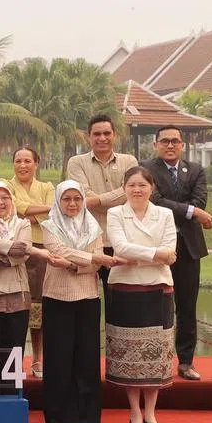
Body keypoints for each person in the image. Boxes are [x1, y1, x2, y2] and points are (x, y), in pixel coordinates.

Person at [40, 180, 123, 423]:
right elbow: (58, 250)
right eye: (67, 199)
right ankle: (60, 415)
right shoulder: (49, 225)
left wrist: (74, 265)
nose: (73, 204)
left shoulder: (93, 225)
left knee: (86, 357)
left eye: (77, 198)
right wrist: (91, 259)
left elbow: (83, 262)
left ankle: (87, 416)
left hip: (88, 296)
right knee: (59, 357)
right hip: (57, 296)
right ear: (58, 201)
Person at [0, 182, 63, 385]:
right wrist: (15, 248)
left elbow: (22, 255)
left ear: (12, 201)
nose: (0, 202)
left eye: (5, 198)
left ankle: (10, 396)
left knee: (13, 346)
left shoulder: (22, 224)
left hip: (17, 289)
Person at [106, 166, 178, 423]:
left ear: (152, 187)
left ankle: (151, 413)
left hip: (159, 287)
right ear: (124, 187)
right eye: (131, 185)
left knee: (156, 353)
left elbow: (171, 250)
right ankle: (134, 413)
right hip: (125, 288)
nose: (137, 190)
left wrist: (148, 255)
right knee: (129, 353)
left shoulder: (165, 214)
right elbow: (121, 248)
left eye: (142, 185)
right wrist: (156, 253)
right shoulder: (115, 213)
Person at [141, 126, 212, 381]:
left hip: (189, 248)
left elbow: (200, 202)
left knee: (187, 307)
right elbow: (155, 201)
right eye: (164, 141)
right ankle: (153, 359)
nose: (170, 145)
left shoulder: (195, 170)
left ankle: (185, 362)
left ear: (182, 144)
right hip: (158, 246)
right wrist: (192, 213)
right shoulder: (146, 169)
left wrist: (194, 211)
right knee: (155, 305)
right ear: (155, 144)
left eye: (175, 141)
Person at [66, 114, 139, 297]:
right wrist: (119, 194)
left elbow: (131, 192)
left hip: (122, 241)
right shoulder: (76, 162)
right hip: (87, 242)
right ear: (89, 137)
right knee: (85, 297)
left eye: (107, 133)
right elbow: (82, 197)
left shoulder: (129, 161)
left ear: (114, 135)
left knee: (120, 299)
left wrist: (96, 201)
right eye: (97, 134)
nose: (102, 138)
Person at [7, 145, 54, 379]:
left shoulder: (47, 187)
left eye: (28, 161)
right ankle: (11, 361)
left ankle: (37, 358)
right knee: (11, 306)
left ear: (37, 163)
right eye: (18, 161)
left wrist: (24, 213)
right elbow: (9, 210)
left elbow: (53, 215)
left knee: (39, 308)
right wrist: (34, 211)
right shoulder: (5, 186)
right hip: (13, 250)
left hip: (41, 250)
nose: (23, 165)